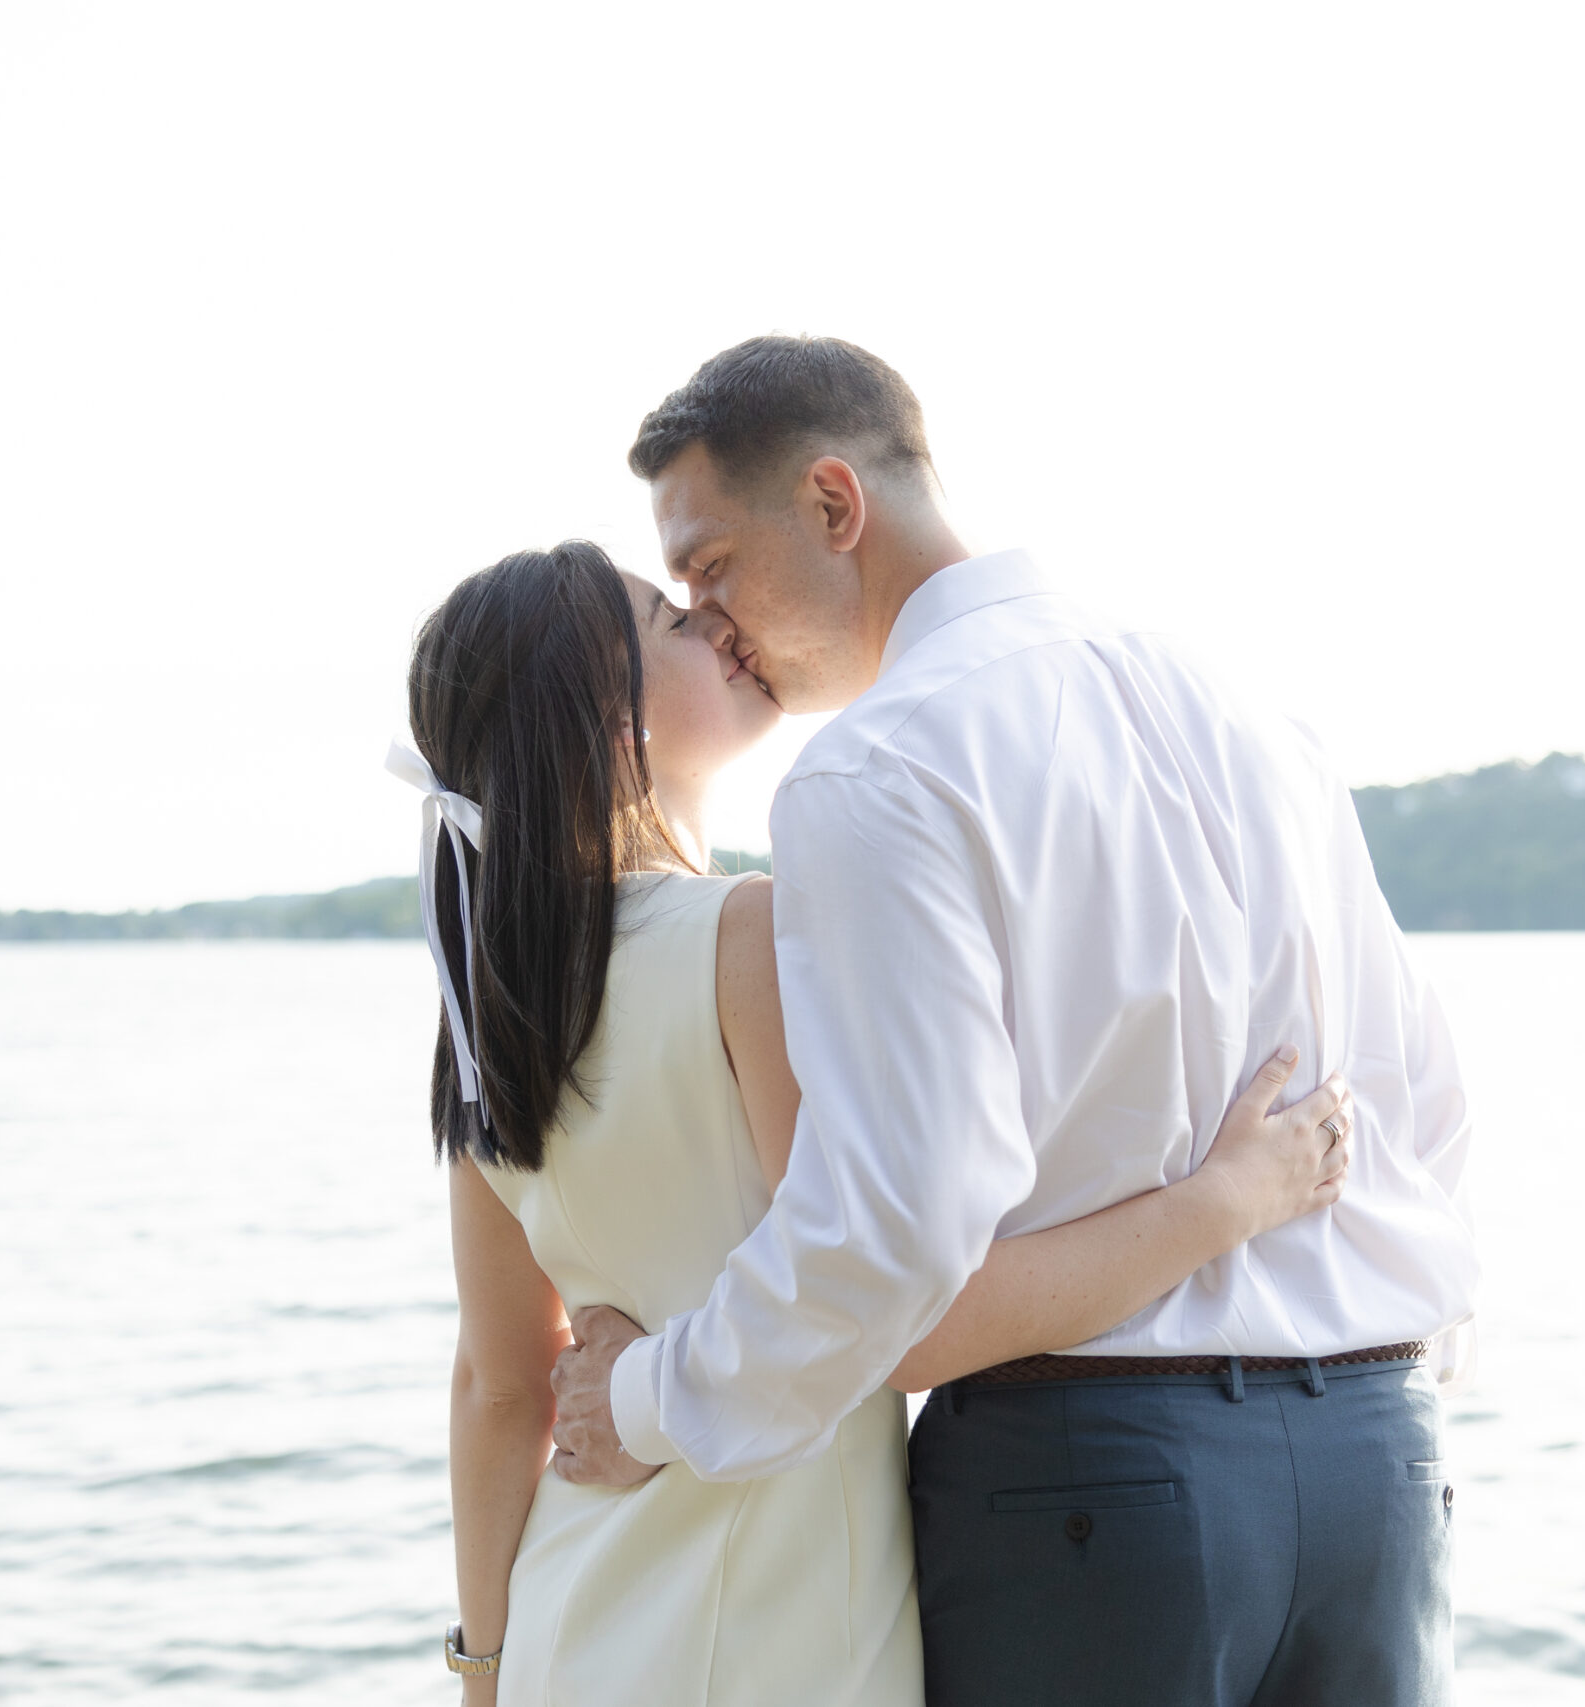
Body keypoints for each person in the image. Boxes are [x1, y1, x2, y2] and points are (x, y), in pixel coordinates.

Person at [547, 337, 1480, 1706]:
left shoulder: (877, 771)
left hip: (1095, 1490)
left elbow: (893, 1227)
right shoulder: (1251, 717)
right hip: (1380, 1468)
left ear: (830, 502)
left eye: (711, 567)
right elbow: (1420, 1092)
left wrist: (638, 1399)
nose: (713, 616)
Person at [406, 541, 1355, 1705]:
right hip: (777, 1624)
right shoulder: (741, 942)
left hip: (576, 1614)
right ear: (618, 726)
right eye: (670, 624)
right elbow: (895, 1288)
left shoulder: (486, 1014)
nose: (713, 623)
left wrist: (485, 1669)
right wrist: (1220, 1205)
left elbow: (501, 1389)